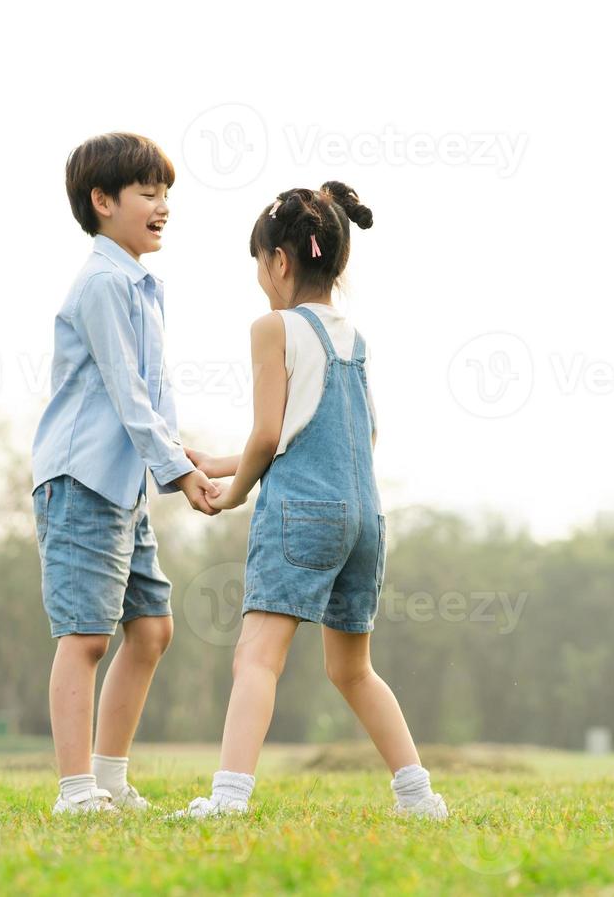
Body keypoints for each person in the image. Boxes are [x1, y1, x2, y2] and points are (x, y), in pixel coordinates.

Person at [175, 182, 446, 819]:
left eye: (259, 264)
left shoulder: (273, 329)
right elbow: (347, 432)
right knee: (353, 670)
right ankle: (418, 795)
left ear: (280, 261)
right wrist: (219, 459)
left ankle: (228, 799)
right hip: (364, 518)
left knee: (256, 659)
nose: (260, 279)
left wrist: (234, 492)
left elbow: (270, 434)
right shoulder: (354, 338)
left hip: (301, 515)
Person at [30, 132, 221, 814]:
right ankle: (76, 792)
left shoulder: (141, 284)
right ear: (103, 201)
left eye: (166, 191)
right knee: (85, 635)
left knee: (151, 630)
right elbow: (123, 391)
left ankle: (109, 780)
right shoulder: (105, 283)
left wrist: (180, 453)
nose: (163, 205)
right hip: (82, 479)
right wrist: (178, 473)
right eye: (148, 191)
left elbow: (153, 391)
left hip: (122, 486)